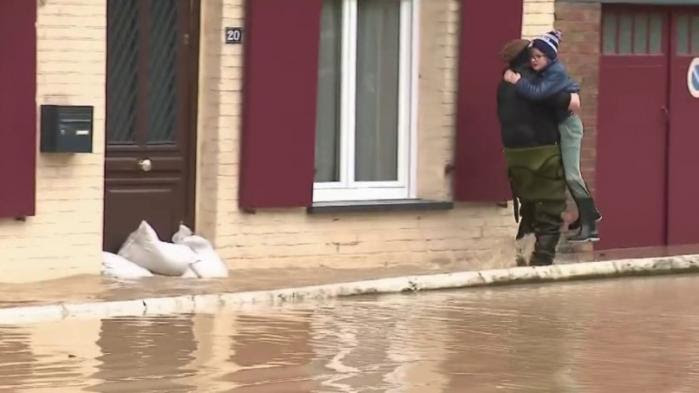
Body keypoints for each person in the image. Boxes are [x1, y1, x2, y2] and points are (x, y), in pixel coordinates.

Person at [504, 30, 601, 243]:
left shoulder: (555, 72)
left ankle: (591, 225)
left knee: (572, 175)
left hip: (568, 126)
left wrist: (517, 81)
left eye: (539, 56)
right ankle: (589, 214)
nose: (534, 60)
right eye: (531, 56)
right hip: (560, 125)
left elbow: (537, 94)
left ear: (549, 57)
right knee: (567, 173)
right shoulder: (546, 71)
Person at [496, 39, 577, 266]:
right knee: (550, 214)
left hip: (515, 158)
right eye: (532, 55)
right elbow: (563, 101)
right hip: (542, 155)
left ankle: (520, 261)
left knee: (530, 211)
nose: (536, 58)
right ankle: (541, 266)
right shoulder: (533, 82)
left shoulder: (504, 84)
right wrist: (571, 97)